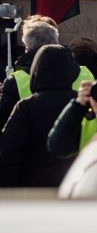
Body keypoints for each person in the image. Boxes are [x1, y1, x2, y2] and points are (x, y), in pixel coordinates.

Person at [0, 45, 79, 186]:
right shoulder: (82, 104)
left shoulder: (26, 107)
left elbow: (9, 153)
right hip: (73, 186)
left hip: (34, 191)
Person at [0, 17, 93, 130]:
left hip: (32, 145)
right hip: (77, 144)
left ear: (27, 48)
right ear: (57, 43)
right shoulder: (85, 73)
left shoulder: (16, 80)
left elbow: (4, 124)